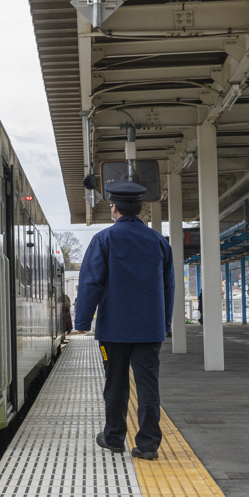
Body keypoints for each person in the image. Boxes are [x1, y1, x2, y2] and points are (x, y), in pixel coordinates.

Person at [74, 181, 174, 460]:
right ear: (141, 210)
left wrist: (82, 320)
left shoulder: (104, 239)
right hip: (149, 330)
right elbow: (169, 286)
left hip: (114, 330)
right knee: (147, 384)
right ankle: (148, 444)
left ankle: (115, 437)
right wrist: (164, 323)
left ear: (113, 208)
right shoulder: (158, 241)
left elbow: (91, 281)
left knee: (115, 383)